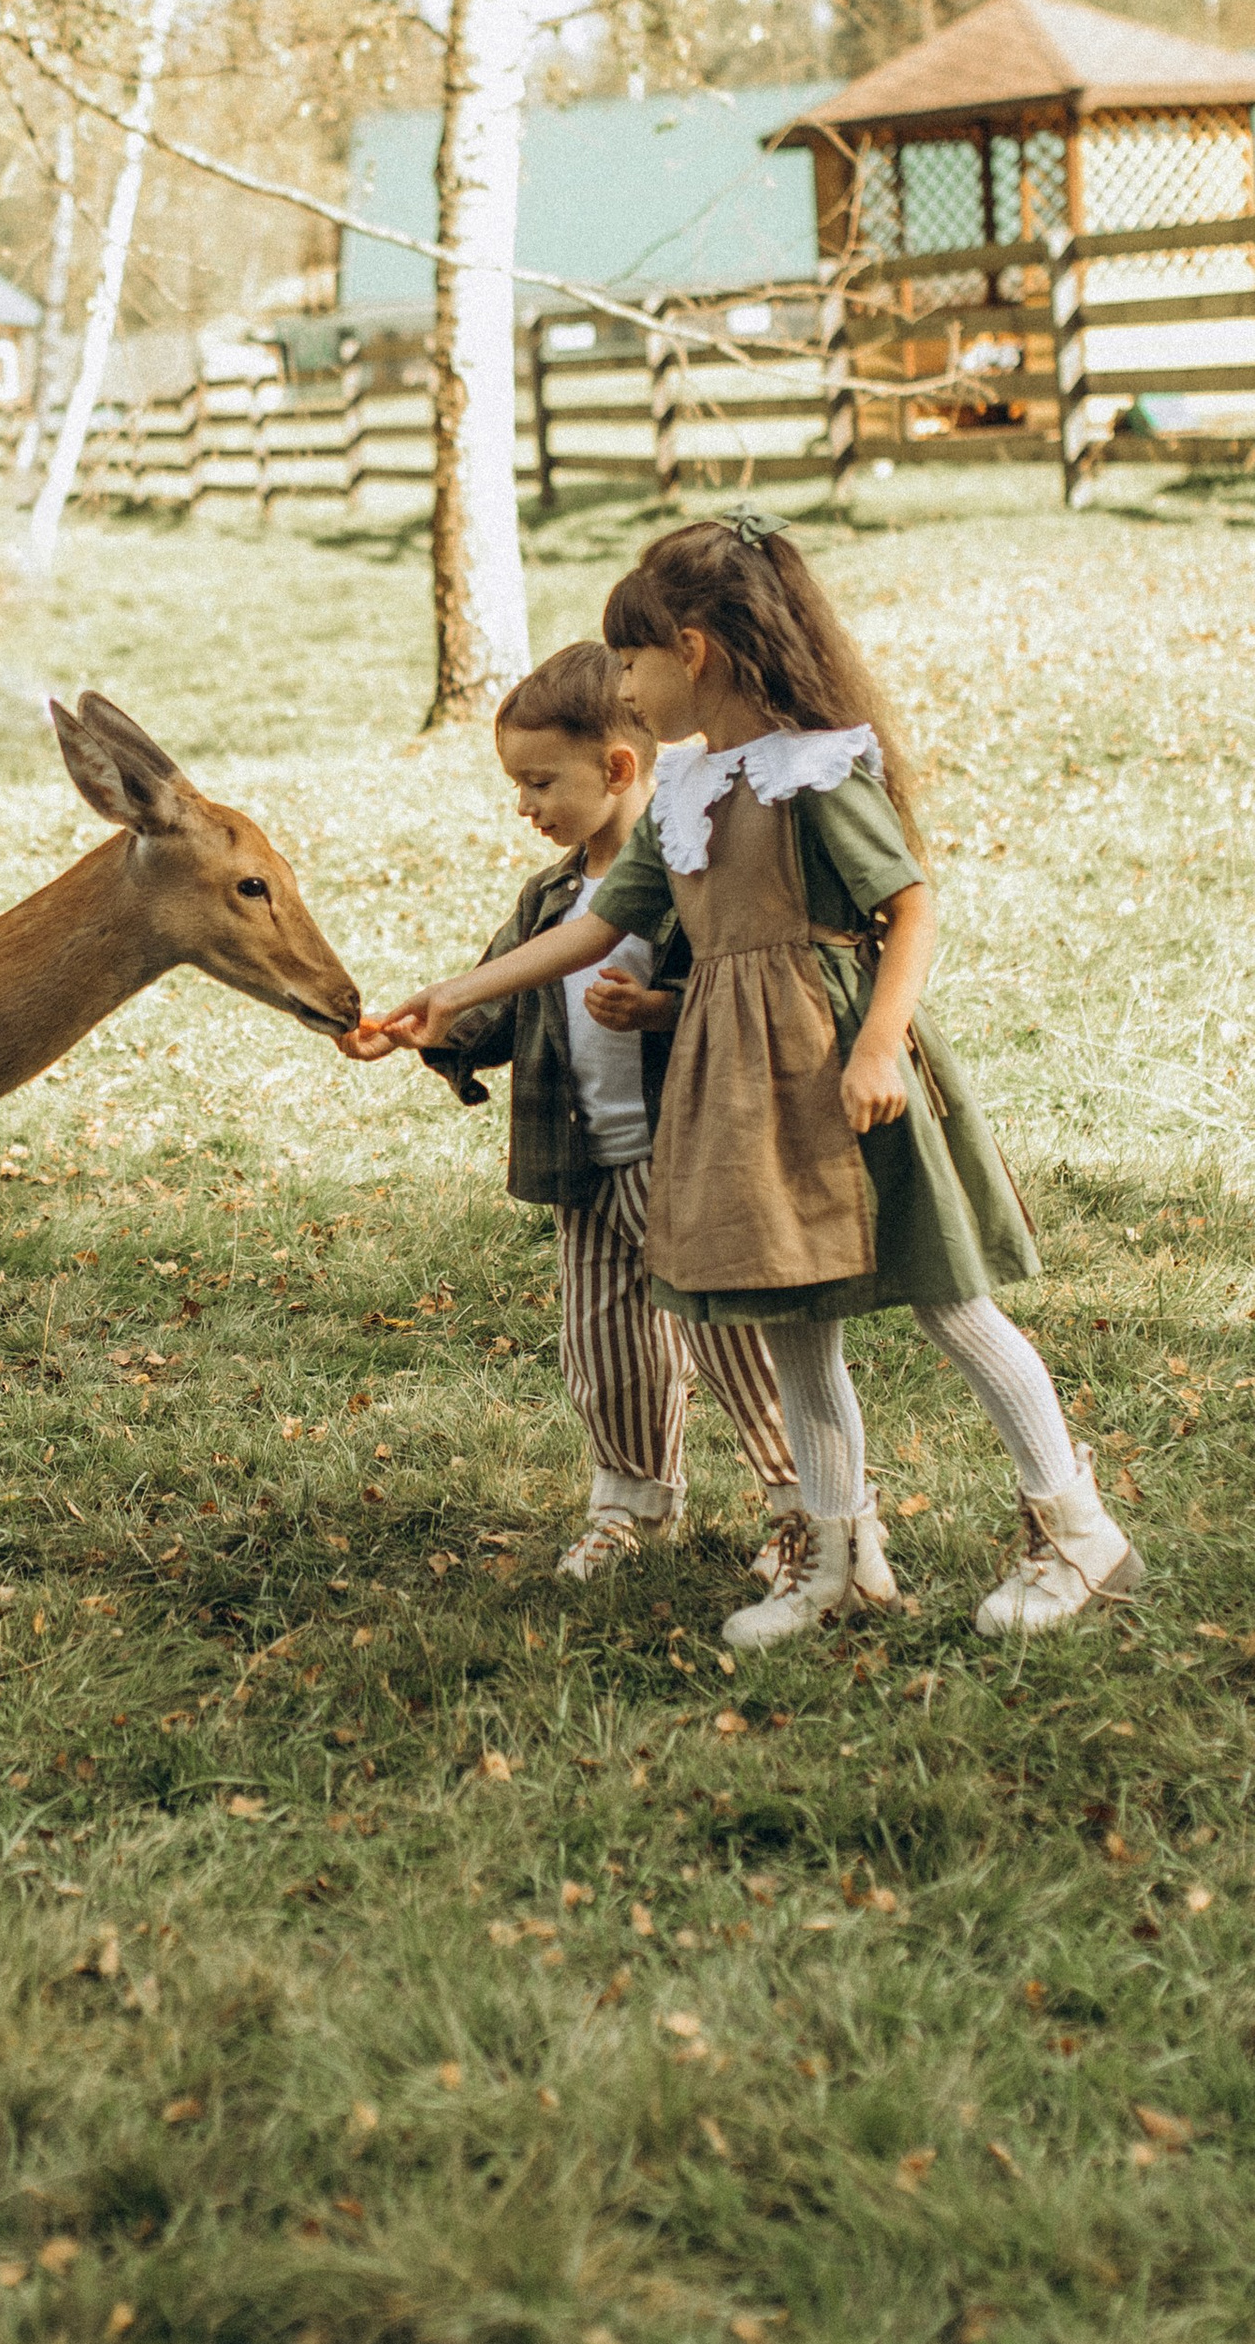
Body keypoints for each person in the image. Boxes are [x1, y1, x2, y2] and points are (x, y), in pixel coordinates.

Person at [370, 516, 1139, 1647]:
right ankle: (836, 1557)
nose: (621, 687)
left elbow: (910, 908)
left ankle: (1078, 1533)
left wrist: (880, 1045)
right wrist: (450, 993)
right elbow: (597, 926)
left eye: (628, 662)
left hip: (835, 1065)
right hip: (736, 1085)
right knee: (793, 1317)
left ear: (693, 652)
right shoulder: (685, 788)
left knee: (948, 1299)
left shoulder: (812, 767)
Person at [353, 642, 869, 1590]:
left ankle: (801, 1501)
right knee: (606, 1344)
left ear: (618, 768)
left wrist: (660, 1010)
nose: (525, 806)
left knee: (732, 1340)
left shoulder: (696, 870)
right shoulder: (551, 896)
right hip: (585, 1169)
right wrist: (430, 1029)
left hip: (689, 1161)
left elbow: (746, 990)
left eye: (540, 782)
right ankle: (631, 1499)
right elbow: (501, 999)